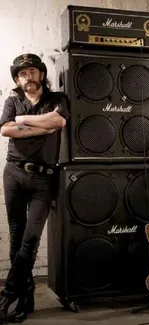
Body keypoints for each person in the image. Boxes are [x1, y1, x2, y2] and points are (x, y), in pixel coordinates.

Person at [0, 53, 69, 323]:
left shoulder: (57, 100)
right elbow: (6, 130)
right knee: (16, 238)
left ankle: (8, 296)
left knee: (30, 240)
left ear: (41, 74)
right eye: (22, 74)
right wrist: (41, 127)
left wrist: (22, 122)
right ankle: (25, 298)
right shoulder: (12, 101)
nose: (27, 77)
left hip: (44, 178)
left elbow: (59, 121)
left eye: (31, 71)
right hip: (14, 174)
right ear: (17, 79)